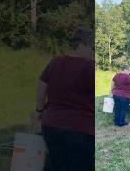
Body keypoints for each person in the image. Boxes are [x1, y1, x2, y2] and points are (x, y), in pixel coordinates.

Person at [31, 27, 94, 171]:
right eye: (92, 48)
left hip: (51, 126)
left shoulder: (55, 62)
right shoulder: (90, 67)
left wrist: (39, 110)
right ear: (81, 45)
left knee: (57, 165)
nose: (93, 52)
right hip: (81, 130)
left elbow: (41, 88)